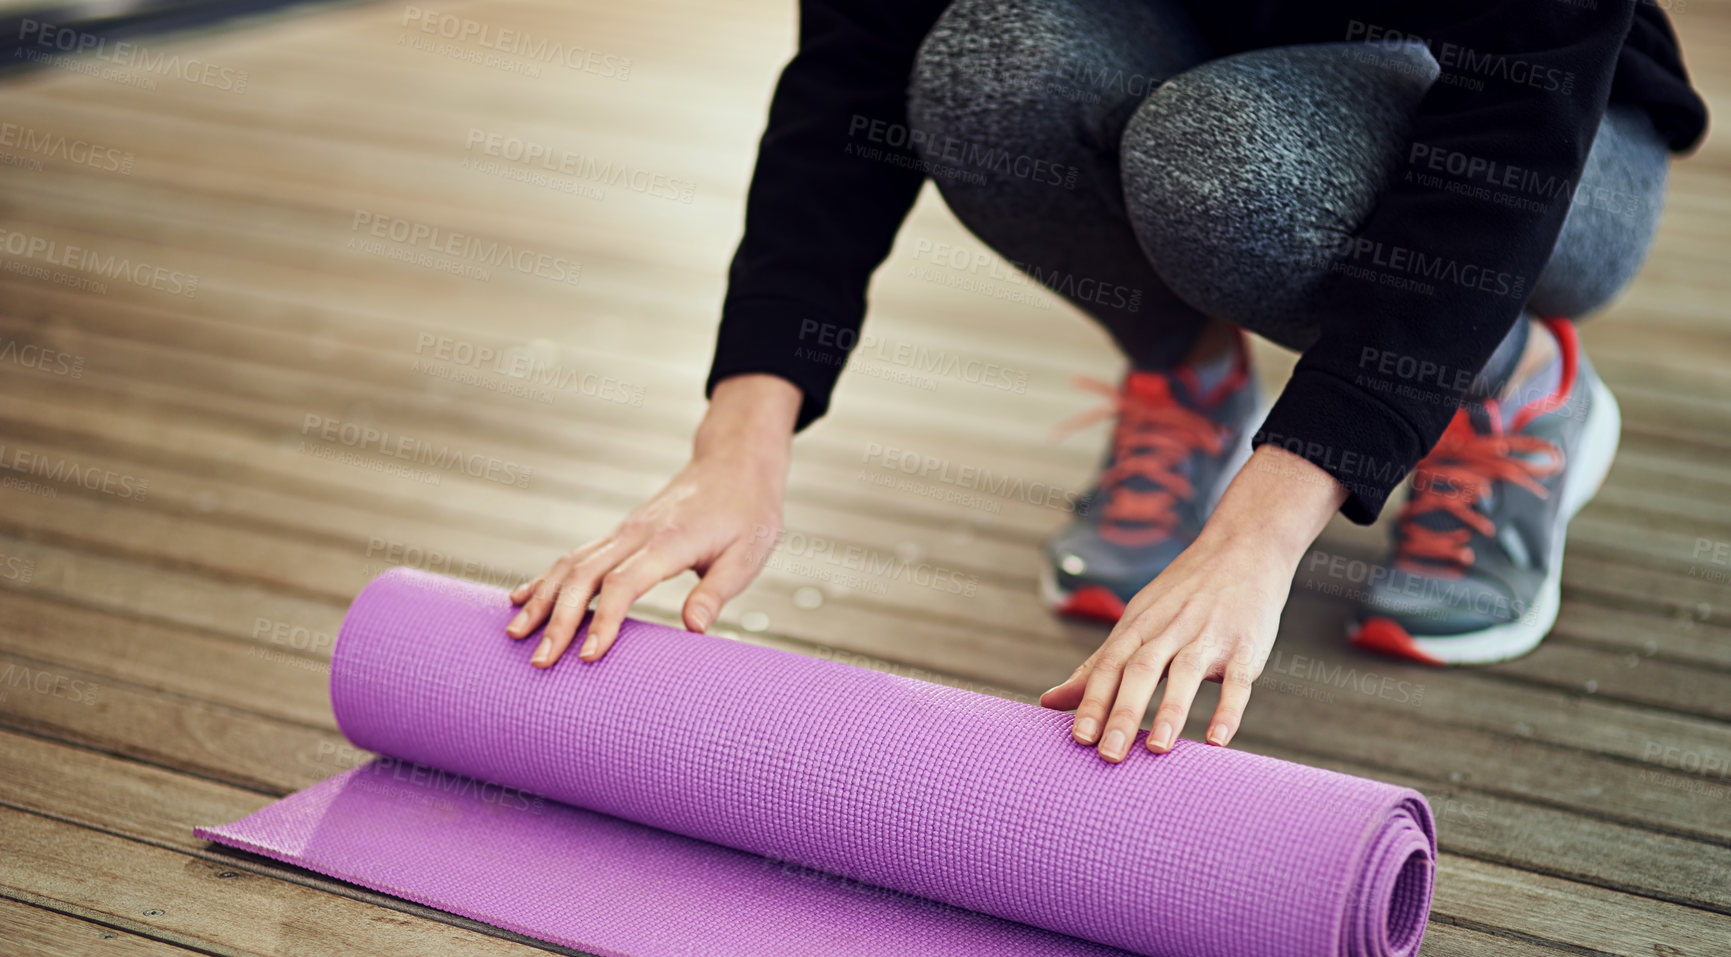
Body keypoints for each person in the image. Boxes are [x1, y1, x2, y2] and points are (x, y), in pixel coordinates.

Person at [504, 0, 1707, 763]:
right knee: (986, 68)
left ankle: (1514, 385)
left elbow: (1508, 144)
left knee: (1223, 163)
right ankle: (1188, 380)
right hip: (1220, 53)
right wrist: (740, 440)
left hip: (1549, 141)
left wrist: (1258, 533)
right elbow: (856, 69)